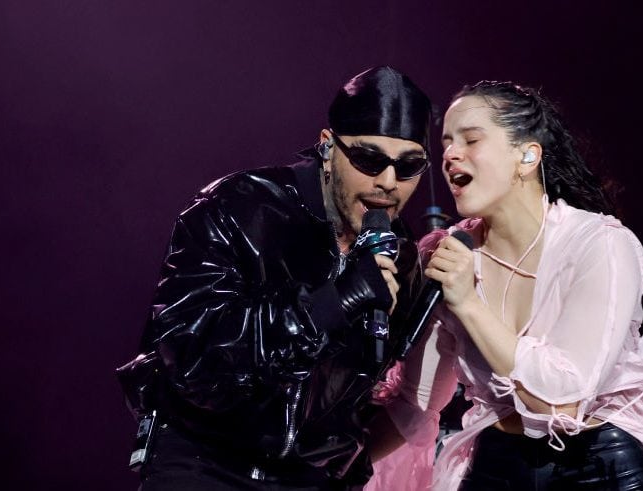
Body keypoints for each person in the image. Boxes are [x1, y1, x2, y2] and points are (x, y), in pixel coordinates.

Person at [116, 66, 434, 490]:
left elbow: (362, 397)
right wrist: (331, 304)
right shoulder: (238, 208)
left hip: (308, 479)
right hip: (204, 464)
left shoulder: (401, 255)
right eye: (368, 159)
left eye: (409, 165)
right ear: (327, 147)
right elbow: (193, 362)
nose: (388, 182)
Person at [366, 81, 643, 490]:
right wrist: (331, 470)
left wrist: (467, 302)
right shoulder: (446, 255)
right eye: (446, 143)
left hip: (597, 465)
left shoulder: (600, 245)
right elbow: (418, 401)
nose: (450, 155)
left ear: (527, 154)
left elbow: (562, 399)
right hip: (496, 467)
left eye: (471, 139)